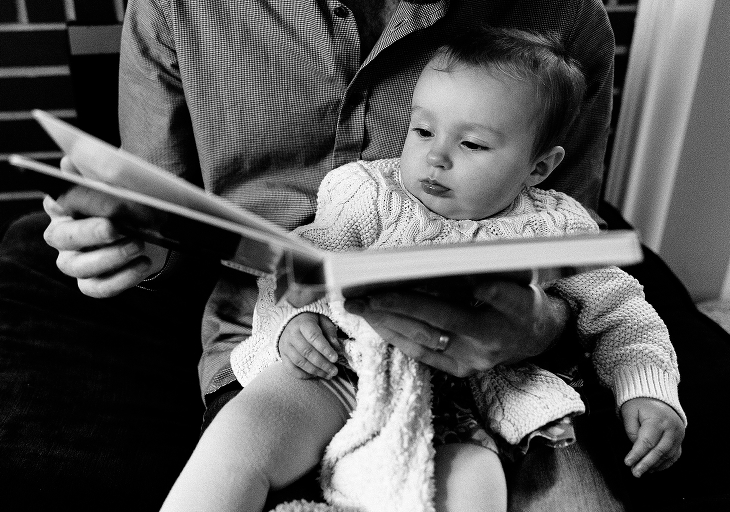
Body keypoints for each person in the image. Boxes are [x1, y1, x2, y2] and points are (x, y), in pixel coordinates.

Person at [42, 0, 633, 509]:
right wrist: (134, 243)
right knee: (241, 439)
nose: (435, 159)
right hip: (325, 358)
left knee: (484, 483)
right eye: (420, 132)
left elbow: (606, 297)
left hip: (485, 391)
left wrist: (630, 379)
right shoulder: (367, 190)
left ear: (538, 167)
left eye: (474, 144)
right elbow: (293, 264)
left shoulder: (554, 192)